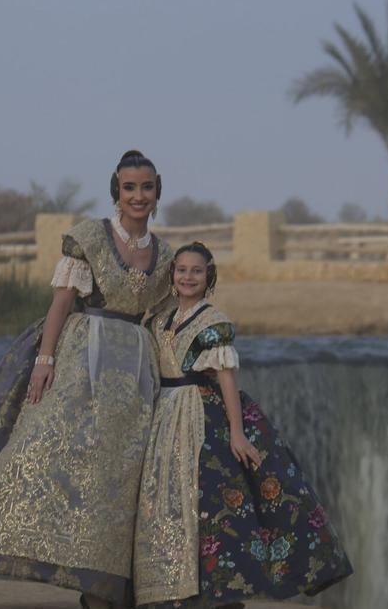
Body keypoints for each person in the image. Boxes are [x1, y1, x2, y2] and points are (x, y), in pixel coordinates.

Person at [0, 150, 174, 609]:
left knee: (121, 478)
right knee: (57, 457)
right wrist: (44, 360)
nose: (138, 196)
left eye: (146, 187)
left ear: (157, 190)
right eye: (129, 188)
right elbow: (61, 303)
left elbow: (160, 317)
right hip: (84, 359)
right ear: (116, 192)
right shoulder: (89, 238)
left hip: (136, 370)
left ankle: (108, 588)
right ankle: (79, 576)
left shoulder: (165, 255)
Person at [133, 242, 352, 608]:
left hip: (200, 416)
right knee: (166, 501)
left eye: (197, 271)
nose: (188, 277)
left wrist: (236, 431)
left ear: (209, 276)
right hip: (164, 415)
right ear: (172, 275)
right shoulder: (159, 320)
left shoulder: (213, 322)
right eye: (182, 270)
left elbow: (226, 379)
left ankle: (220, 591)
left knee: (211, 503)